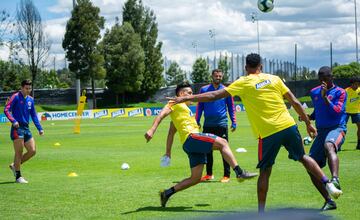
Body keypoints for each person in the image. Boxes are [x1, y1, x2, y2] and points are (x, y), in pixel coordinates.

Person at [168, 53, 342, 212]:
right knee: (304, 158)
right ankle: (329, 183)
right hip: (288, 125)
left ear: (246, 67)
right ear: (261, 66)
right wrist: (308, 123)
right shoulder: (274, 79)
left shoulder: (243, 82)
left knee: (265, 171)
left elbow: (214, 95)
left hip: (268, 133)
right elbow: (295, 101)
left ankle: (261, 213)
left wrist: (186, 97)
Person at [144, 82, 257, 208]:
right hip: (192, 138)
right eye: (190, 93)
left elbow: (171, 133)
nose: (192, 95)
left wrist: (168, 152)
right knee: (223, 143)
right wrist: (152, 129)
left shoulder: (182, 111)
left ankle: (166, 193)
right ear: (181, 94)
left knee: (195, 178)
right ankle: (239, 172)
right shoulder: (174, 103)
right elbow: (161, 114)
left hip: (189, 144)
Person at [307, 66, 347, 210]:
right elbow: (318, 110)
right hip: (321, 131)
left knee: (329, 145)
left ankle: (335, 179)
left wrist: (325, 97)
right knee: (310, 166)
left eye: (326, 78)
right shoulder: (314, 92)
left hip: (337, 128)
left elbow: (337, 111)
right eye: (321, 78)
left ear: (332, 77)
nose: (323, 81)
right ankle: (329, 201)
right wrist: (308, 117)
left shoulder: (340, 92)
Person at [196, 69, 236, 183]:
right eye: (216, 76)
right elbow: (200, 107)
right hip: (208, 124)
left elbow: (231, 107)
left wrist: (234, 121)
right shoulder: (204, 90)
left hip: (221, 124)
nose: (218, 77)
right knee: (207, 150)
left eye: (220, 76)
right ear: (212, 76)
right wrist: (197, 120)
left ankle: (226, 175)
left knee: (224, 149)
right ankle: (209, 174)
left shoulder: (226, 90)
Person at [4, 80, 44, 183]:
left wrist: (40, 128)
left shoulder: (31, 99)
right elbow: (6, 110)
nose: (28, 90)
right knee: (19, 152)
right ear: (21, 88)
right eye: (26, 88)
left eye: (30, 88)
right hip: (17, 128)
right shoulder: (15, 96)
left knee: (32, 151)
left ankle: (14, 166)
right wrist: (13, 121)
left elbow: (34, 115)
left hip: (26, 128)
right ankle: (18, 176)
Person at [345, 76, 360, 150]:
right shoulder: (346, 91)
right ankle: (338, 145)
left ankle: (359, 144)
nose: (356, 86)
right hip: (346, 111)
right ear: (351, 84)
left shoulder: (359, 90)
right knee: (342, 127)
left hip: (356, 111)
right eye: (355, 84)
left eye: (358, 84)